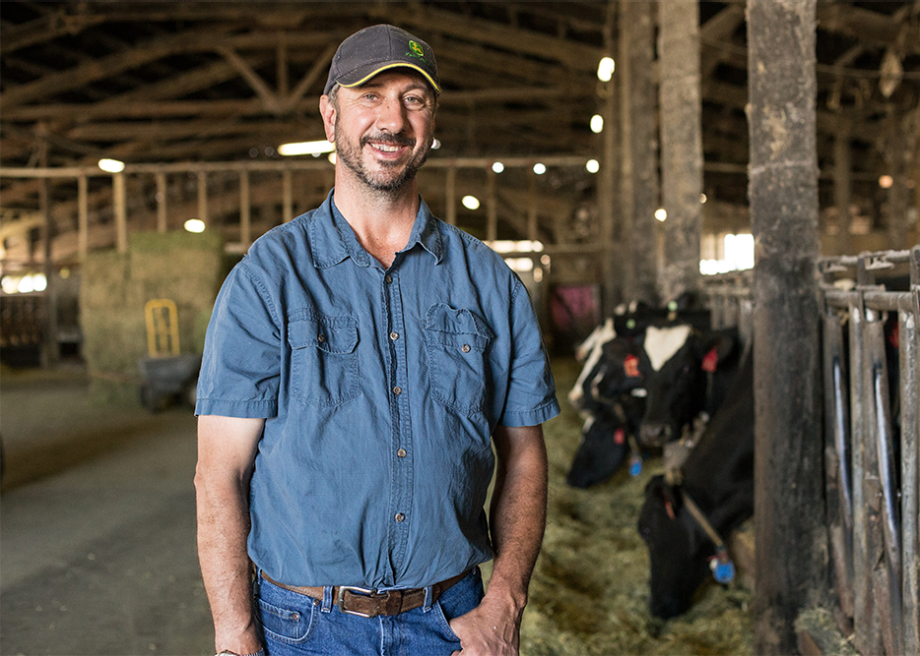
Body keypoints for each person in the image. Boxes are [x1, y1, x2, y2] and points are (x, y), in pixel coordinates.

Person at [194, 23, 559, 656]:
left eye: (413, 99)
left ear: (433, 118)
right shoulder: (266, 278)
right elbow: (218, 473)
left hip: (451, 621)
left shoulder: (490, 283)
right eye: (370, 95)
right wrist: (234, 636)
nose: (392, 119)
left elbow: (524, 454)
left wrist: (505, 602)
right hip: (302, 626)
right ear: (329, 114)